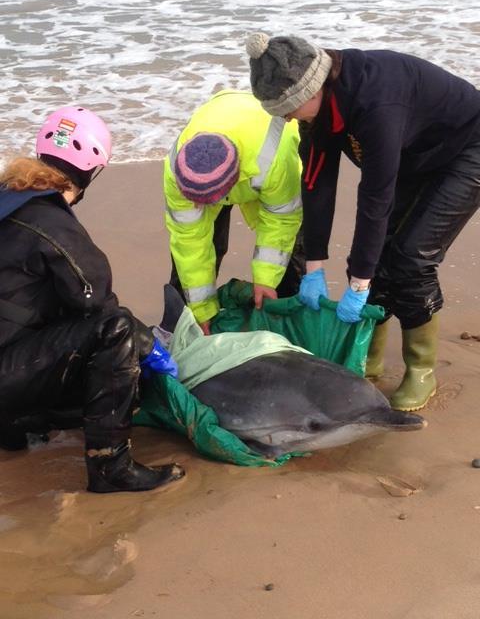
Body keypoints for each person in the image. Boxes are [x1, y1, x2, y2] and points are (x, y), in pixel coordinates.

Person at [246, 33, 480, 412]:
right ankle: (366, 357)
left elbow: (375, 200)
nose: (286, 118)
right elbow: (317, 182)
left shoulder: (377, 102)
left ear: (311, 91)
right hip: (415, 153)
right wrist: (314, 267)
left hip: (468, 149)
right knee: (377, 252)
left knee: (410, 258)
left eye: (287, 109)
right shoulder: (318, 105)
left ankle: (421, 369)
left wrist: (358, 283)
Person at [0, 106, 185, 493]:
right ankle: (111, 466)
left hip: (9, 366)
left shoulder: (8, 199)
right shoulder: (52, 223)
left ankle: (13, 428)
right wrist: (148, 347)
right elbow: (99, 305)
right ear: (91, 171)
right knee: (115, 331)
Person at [164, 89, 304, 334]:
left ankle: (289, 329)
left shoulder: (275, 160)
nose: (197, 207)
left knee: (291, 256)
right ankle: (179, 328)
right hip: (223, 118)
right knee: (198, 253)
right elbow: (189, 242)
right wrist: (201, 309)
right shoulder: (178, 171)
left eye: (204, 202)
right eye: (194, 200)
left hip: (268, 152)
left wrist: (266, 278)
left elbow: (281, 221)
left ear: (231, 188)